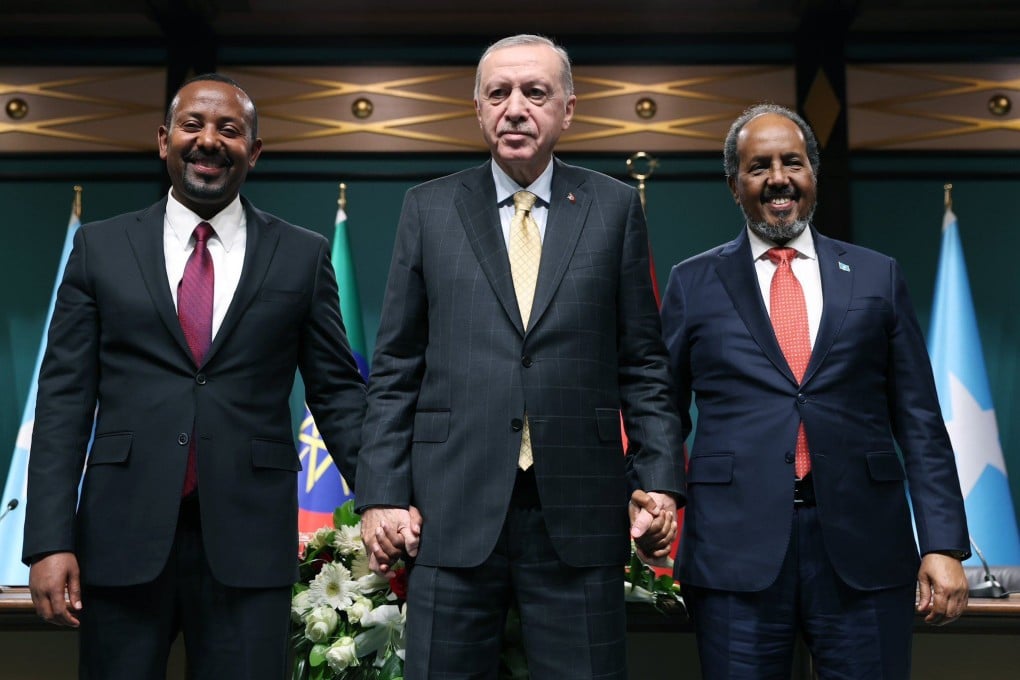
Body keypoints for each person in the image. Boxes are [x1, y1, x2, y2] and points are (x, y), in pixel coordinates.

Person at [355, 34, 685, 679]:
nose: (515, 108)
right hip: (448, 507)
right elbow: (395, 366)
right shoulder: (428, 208)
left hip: (581, 509)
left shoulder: (615, 208)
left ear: (567, 109)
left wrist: (660, 480)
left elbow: (644, 362)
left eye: (535, 93)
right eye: (498, 93)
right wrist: (381, 495)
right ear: (477, 110)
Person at [22, 73, 367, 679]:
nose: (209, 140)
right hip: (119, 540)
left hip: (249, 544)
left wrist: (383, 497)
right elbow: (63, 402)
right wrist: (49, 541)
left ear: (253, 152)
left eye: (229, 130)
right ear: (164, 141)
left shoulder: (302, 255)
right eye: (193, 125)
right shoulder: (99, 249)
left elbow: (338, 393)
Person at [660, 103, 970, 679]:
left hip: (865, 547)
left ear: (813, 175)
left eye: (792, 162)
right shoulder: (692, 282)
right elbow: (662, 411)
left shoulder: (878, 276)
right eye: (759, 167)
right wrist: (657, 494)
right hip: (734, 552)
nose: (778, 178)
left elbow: (920, 420)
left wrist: (944, 543)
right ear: (735, 186)